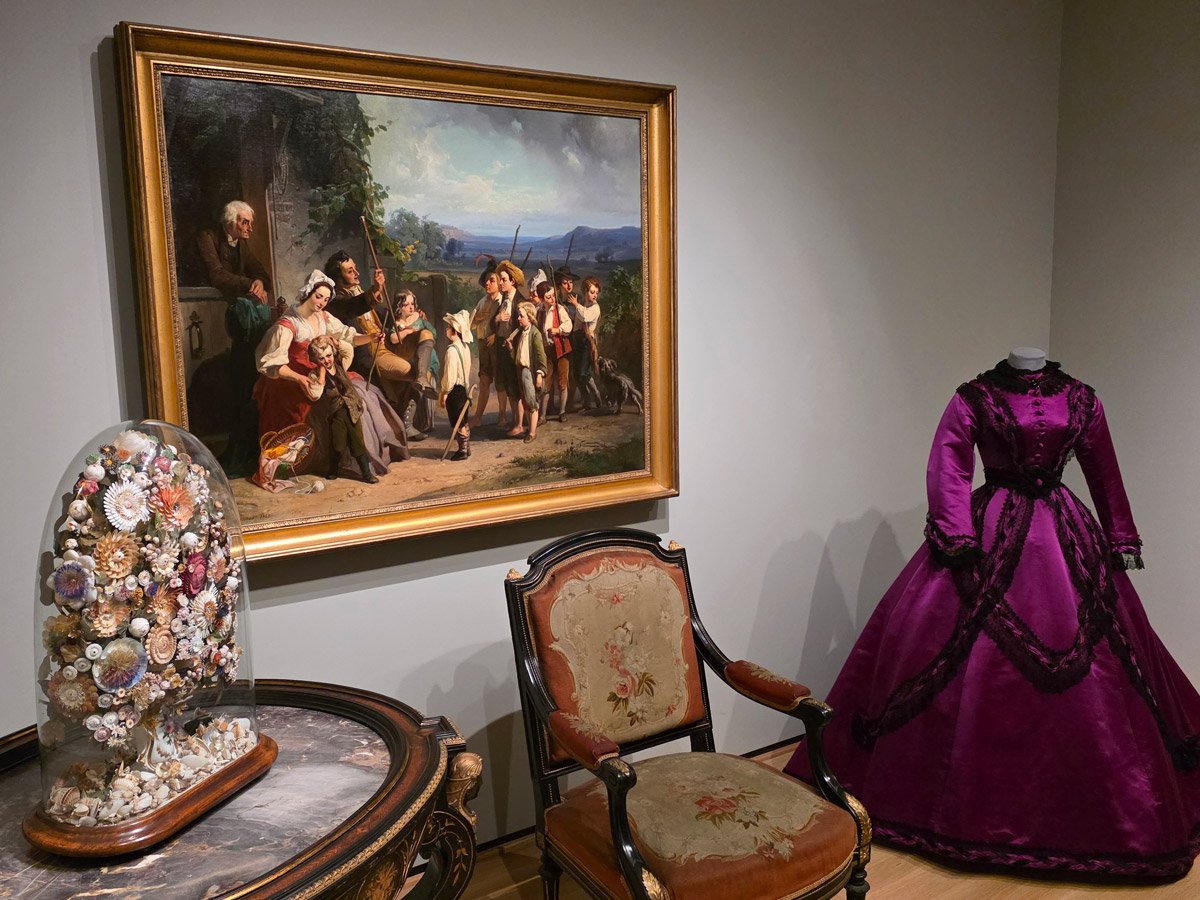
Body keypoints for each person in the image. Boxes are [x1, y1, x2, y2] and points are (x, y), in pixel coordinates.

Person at [785, 355, 1200, 879]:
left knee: (1104, 670)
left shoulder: (1081, 398)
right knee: (955, 656)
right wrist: (956, 535)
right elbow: (949, 466)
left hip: (1064, 530)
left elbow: (1103, 469)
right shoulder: (974, 396)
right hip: (989, 528)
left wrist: (1119, 533)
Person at [194, 200, 275, 478]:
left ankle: (250, 451)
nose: (249, 227)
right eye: (244, 222)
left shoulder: (241, 243)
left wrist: (260, 283)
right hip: (219, 318)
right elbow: (216, 275)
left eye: (250, 222)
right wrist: (247, 284)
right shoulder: (209, 238)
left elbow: (261, 272)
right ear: (230, 221)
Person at [252, 269, 381, 439]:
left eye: (326, 299)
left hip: (319, 369)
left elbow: (347, 335)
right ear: (308, 291)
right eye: (318, 296)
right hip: (291, 377)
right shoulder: (287, 325)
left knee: (362, 393)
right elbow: (271, 364)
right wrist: (300, 379)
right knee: (331, 402)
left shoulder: (323, 317)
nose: (322, 303)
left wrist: (371, 338)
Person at [305, 335, 377, 483]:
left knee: (358, 443)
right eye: (321, 358)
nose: (327, 361)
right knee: (338, 445)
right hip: (336, 413)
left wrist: (336, 342)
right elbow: (316, 394)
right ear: (315, 360)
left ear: (333, 353)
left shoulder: (340, 364)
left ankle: (367, 474)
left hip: (352, 410)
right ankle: (333, 469)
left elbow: (349, 350)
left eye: (329, 356)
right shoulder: (314, 375)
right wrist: (322, 376)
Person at [468, 257, 507, 430]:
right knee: (484, 381)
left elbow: (506, 325)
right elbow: (471, 324)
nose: (488, 284)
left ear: (499, 284)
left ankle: (502, 416)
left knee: (500, 381)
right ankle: (477, 417)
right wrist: (477, 318)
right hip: (483, 344)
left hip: (497, 345)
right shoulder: (482, 302)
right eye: (486, 281)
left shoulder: (503, 302)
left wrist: (496, 335)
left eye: (492, 281)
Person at [490, 260, 525, 432]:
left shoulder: (520, 303)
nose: (500, 283)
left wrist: (512, 340)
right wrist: (497, 319)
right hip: (502, 347)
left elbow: (524, 327)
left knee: (517, 385)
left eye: (503, 279)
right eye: (500, 279)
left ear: (513, 281)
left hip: (515, 349)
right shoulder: (503, 300)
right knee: (508, 385)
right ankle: (515, 421)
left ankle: (519, 424)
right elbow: (492, 323)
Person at [504, 301, 545, 443]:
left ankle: (533, 432)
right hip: (521, 370)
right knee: (525, 401)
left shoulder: (535, 334)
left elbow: (541, 357)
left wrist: (539, 374)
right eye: (519, 316)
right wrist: (511, 350)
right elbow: (519, 356)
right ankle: (529, 428)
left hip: (529, 372)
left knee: (531, 401)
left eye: (521, 316)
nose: (519, 318)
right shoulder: (521, 333)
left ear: (530, 317)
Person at [440, 310, 475, 461]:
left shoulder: (452, 351)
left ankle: (462, 450)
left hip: (455, 391)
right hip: (464, 389)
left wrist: (445, 393)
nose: (446, 330)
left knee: (458, 421)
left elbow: (450, 376)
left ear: (454, 330)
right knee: (464, 419)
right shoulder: (465, 348)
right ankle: (467, 448)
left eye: (448, 327)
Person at [536, 279, 573, 422]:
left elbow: (568, 326)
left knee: (562, 382)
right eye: (548, 297)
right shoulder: (540, 313)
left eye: (553, 295)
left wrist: (558, 330)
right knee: (546, 383)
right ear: (540, 299)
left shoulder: (560, 309)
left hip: (562, 349)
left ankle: (562, 412)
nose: (552, 299)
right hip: (547, 351)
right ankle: (543, 415)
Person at [567, 275, 604, 411]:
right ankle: (587, 400)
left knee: (584, 373)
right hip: (577, 339)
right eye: (592, 292)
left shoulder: (595, 308)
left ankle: (597, 395)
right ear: (585, 291)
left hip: (586, 341)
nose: (595, 295)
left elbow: (585, 316)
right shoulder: (583, 302)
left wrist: (576, 305)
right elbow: (578, 319)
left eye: (596, 292)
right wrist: (569, 312)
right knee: (577, 374)